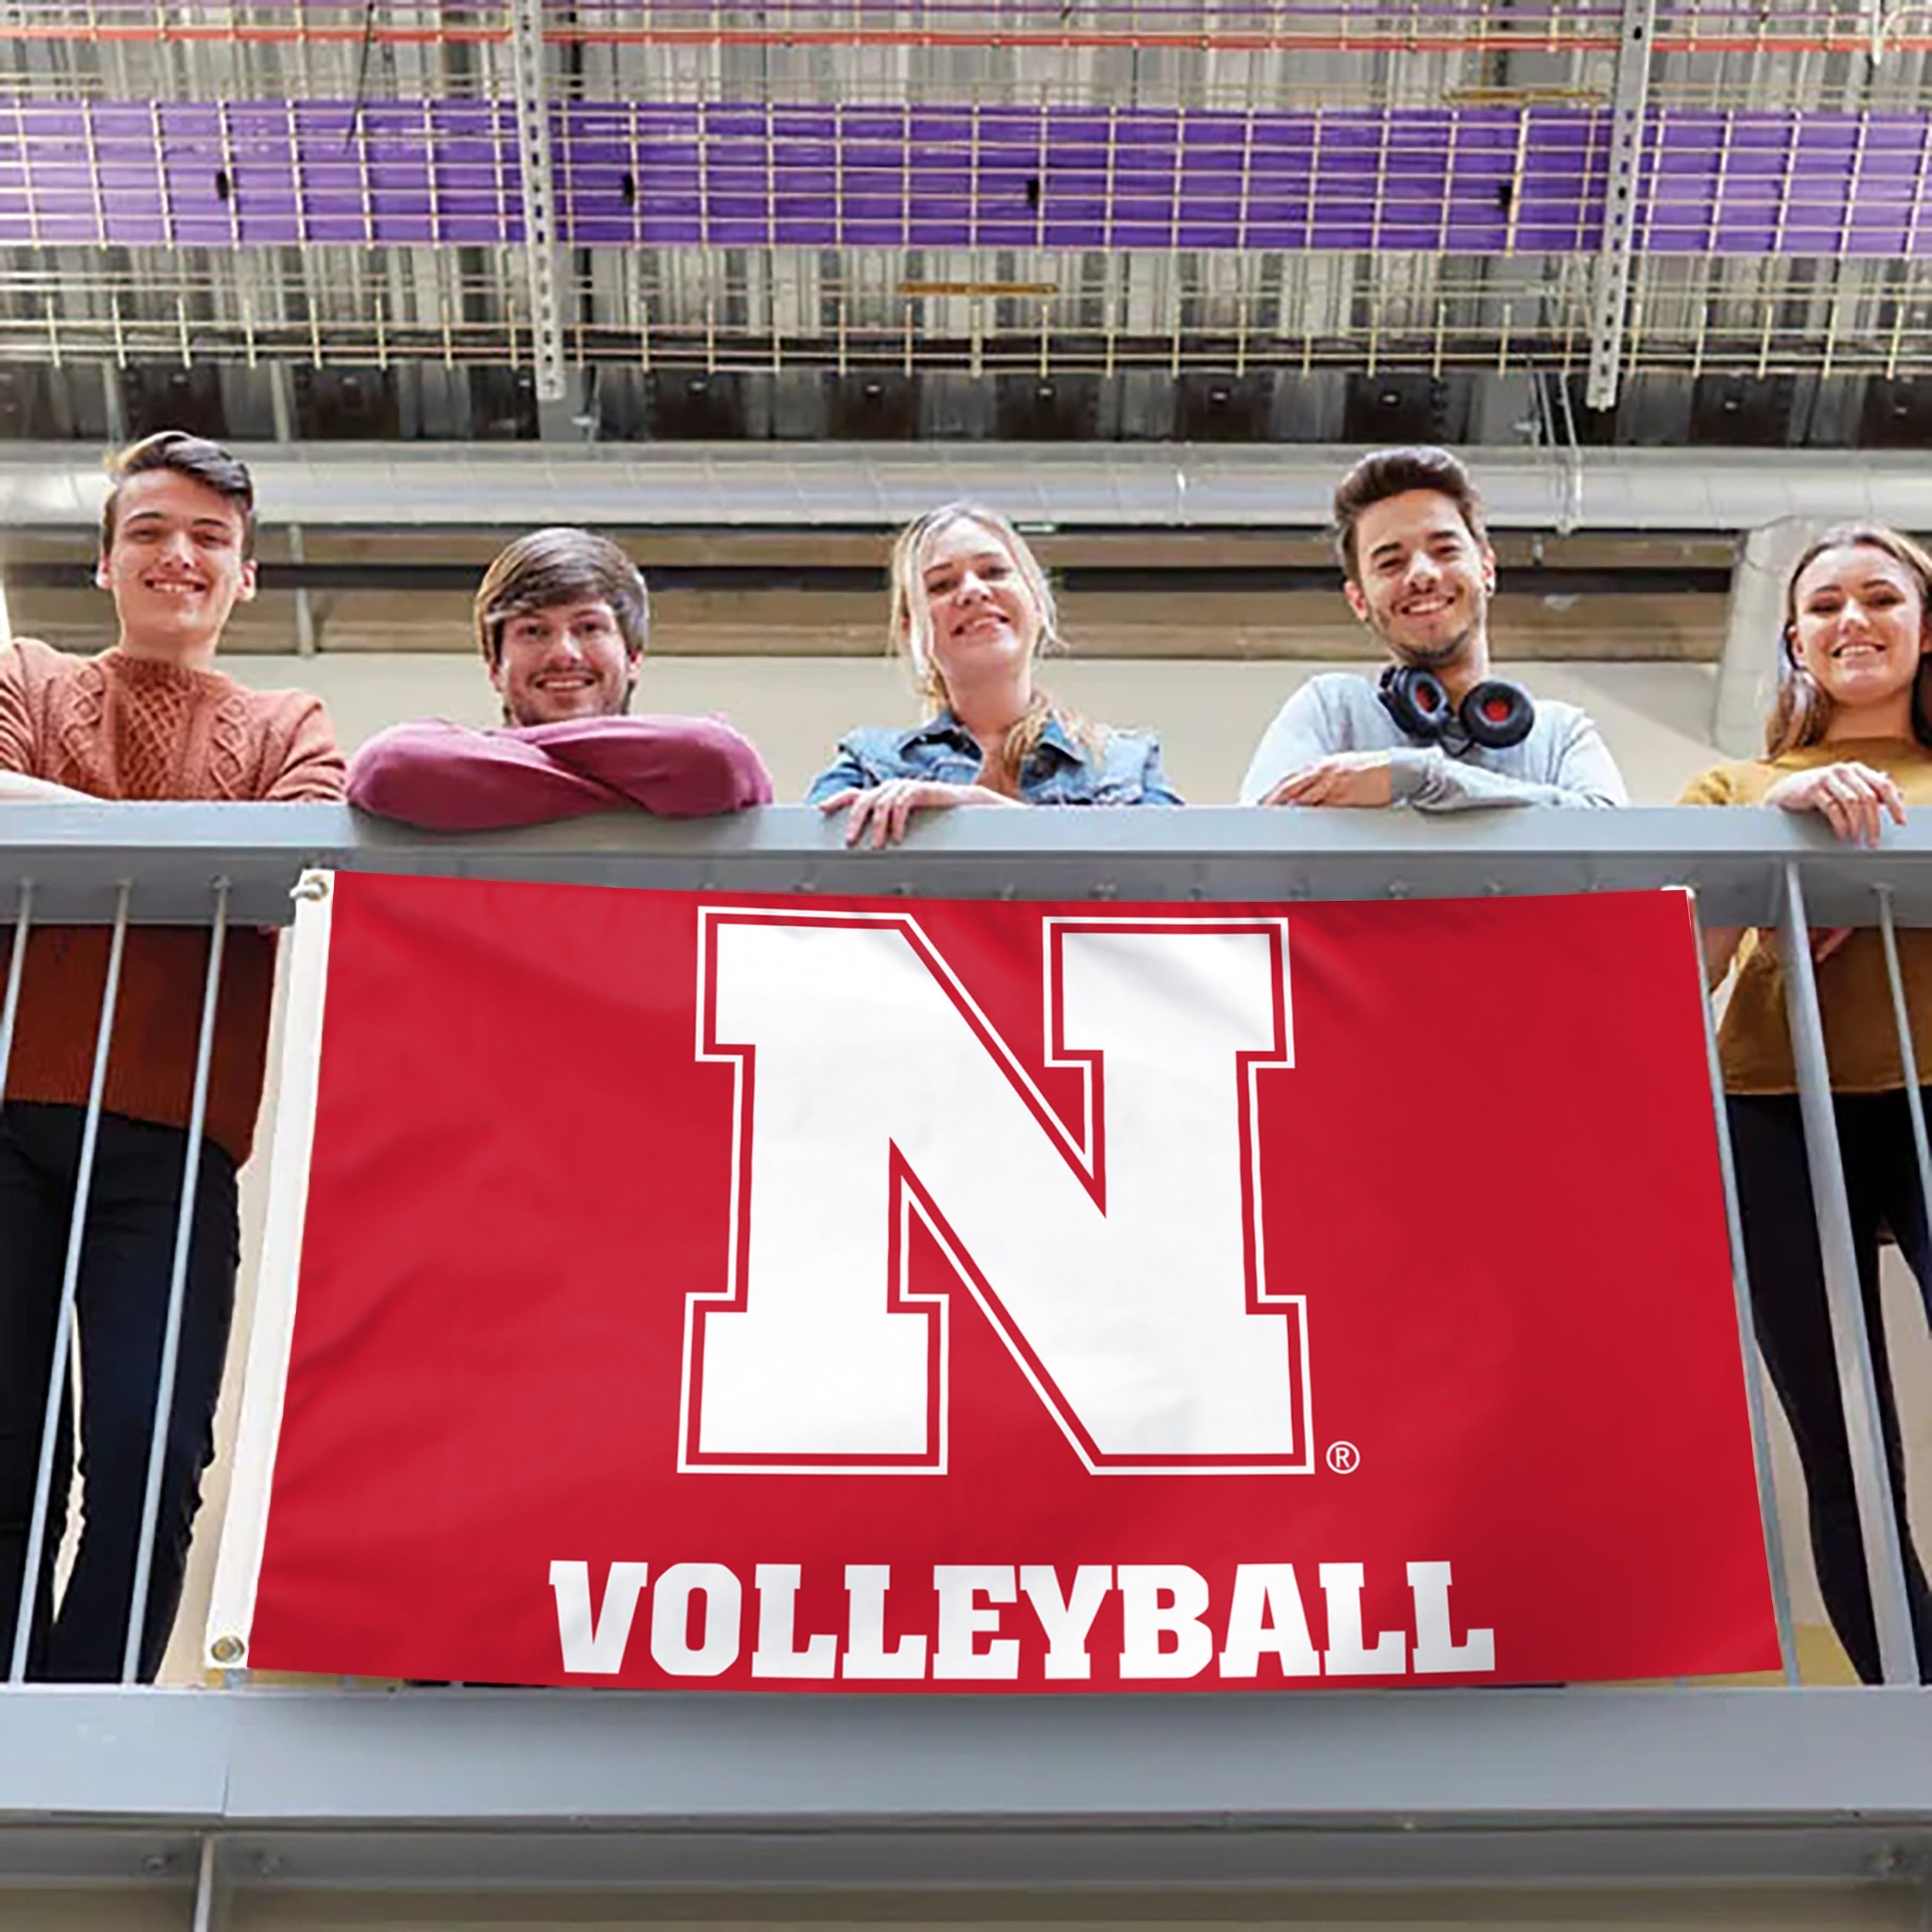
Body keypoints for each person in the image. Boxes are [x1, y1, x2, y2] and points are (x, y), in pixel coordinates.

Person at [0, 430, 344, 1681]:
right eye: (149, 532)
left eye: (209, 538)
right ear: (105, 562)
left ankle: (85, 1705)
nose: (178, 556)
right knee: (8, 1446)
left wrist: (83, 841)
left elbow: (295, 860)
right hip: (5, 1119)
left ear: (245, 576)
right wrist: (174, 848)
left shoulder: (285, 718)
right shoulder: (30, 678)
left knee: (152, 1446)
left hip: (173, 1139)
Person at [1682, 524, 1932, 1685]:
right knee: (1844, 1448)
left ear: (1925, 629)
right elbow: (1682, 956)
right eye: (1824, 606)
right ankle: (1909, 1704)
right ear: (1794, 643)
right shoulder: (1741, 785)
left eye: (1881, 597)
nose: (1852, 621)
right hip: (1774, 1109)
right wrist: (1787, 842)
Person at [1239, 447, 1627, 811]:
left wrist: (1419, 777)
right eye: (1391, 563)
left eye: (1445, 551)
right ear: (1359, 600)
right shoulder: (1333, 711)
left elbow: (1621, 843)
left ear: (1487, 569)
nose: (1422, 575)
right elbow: (1249, 844)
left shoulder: (1559, 735)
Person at [808, 502, 1181, 847]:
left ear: (1036, 599)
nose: (972, 590)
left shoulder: (1126, 765)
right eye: (941, 585)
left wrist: (984, 811)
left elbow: (1177, 890)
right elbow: (797, 876)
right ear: (912, 629)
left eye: (994, 572)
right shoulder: (867, 765)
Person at [348, 527, 770, 829]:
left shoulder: (453, 781)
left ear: (634, 657)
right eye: (533, 631)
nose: (564, 654)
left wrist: (496, 752)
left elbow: (715, 759)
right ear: (495, 667)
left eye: (589, 628)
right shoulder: (425, 765)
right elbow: (388, 767)